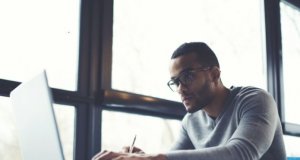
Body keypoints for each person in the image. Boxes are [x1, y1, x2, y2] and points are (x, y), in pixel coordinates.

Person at [92, 42, 286, 160]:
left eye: (187, 77)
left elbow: (241, 154)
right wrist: (140, 157)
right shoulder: (190, 121)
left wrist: (151, 159)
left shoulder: (255, 100)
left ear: (214, 74)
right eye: (175, 82)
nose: (180, 89)